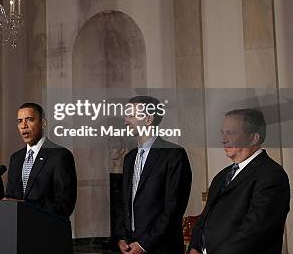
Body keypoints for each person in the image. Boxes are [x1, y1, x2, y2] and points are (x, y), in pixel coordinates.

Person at [188, 109, 290, 254]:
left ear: (253, 138)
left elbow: (254, 232)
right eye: (222, 132)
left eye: (231, 133)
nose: (223, 139)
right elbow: (204, 219)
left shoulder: (272, 175)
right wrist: (194, 248)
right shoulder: (221, 176)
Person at [114, 95, 192, 254]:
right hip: (130, 246)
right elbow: (125, 203)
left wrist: (144, 244)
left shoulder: (174, 154)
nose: (125, 120)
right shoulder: (129, 158)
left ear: (149, 119)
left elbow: (174, 207)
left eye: (131, 115)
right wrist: (121, 237)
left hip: (161, 247)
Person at [5, 102, 77, 218]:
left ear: (43, 123)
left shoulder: (60, 156)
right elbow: (10, 198)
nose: (24, 125)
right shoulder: (16, 158)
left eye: (29, 120)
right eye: (19, 121)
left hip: (46, 230)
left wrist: (26, 205)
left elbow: (64, 205)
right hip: (18, 231)